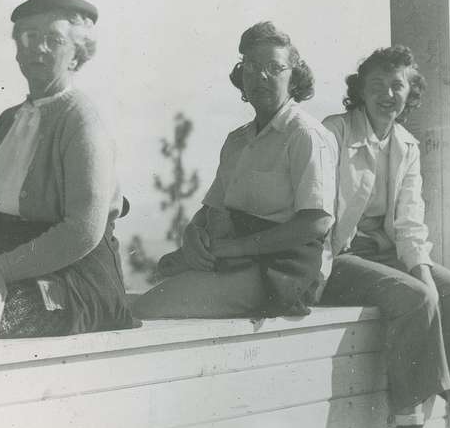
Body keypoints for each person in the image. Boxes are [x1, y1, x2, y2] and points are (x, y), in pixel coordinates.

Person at [320, 46, 450, 428]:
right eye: (377, 85)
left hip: (386, 259)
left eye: (397, 86)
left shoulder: (405, 145)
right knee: (418, 297)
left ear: (410, 92)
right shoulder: (334, 132)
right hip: (336, 258)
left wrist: (424, 272)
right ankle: (410, 421)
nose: (388, 94)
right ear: (361, 91)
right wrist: (423, 286)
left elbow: (409, 223)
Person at [0, 0, 139, 338]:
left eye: (54, 39)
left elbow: (82, 231)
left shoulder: (81, 121)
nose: (39, 48)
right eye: (29, 36)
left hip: (75, 283)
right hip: (13, 276)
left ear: (77, 53)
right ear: (17, 49)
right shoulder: (7, 121)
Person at [131, 22, 336, 319]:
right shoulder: (238, 140)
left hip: (281, 268)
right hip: (234, 256)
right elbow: (212, 208)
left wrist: (236, 249)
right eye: (251, 66)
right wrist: (191, 234)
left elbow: (315, 223)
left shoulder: (305, 134)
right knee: (158, 279)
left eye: (274, 67)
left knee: (149, 309)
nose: (260, 76)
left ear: (294, 78)